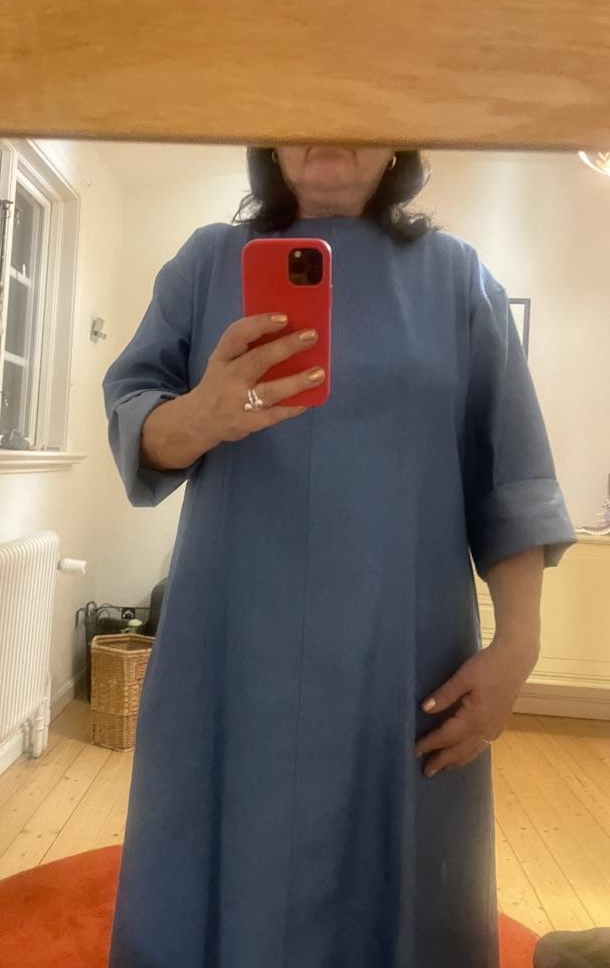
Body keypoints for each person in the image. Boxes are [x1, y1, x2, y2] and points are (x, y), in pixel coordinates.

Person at [102, 145, 575, 968]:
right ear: (269, 137)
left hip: (404, 655)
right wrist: (204, 414)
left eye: (357, 111)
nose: (329, 133)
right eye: (304, 109)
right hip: (232, 643)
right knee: (214, 850)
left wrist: (518, 646)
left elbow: (513, 473)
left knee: (401, 874)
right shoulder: (207, 264)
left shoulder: (457, 279)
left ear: (398, 141)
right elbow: (136, 421)